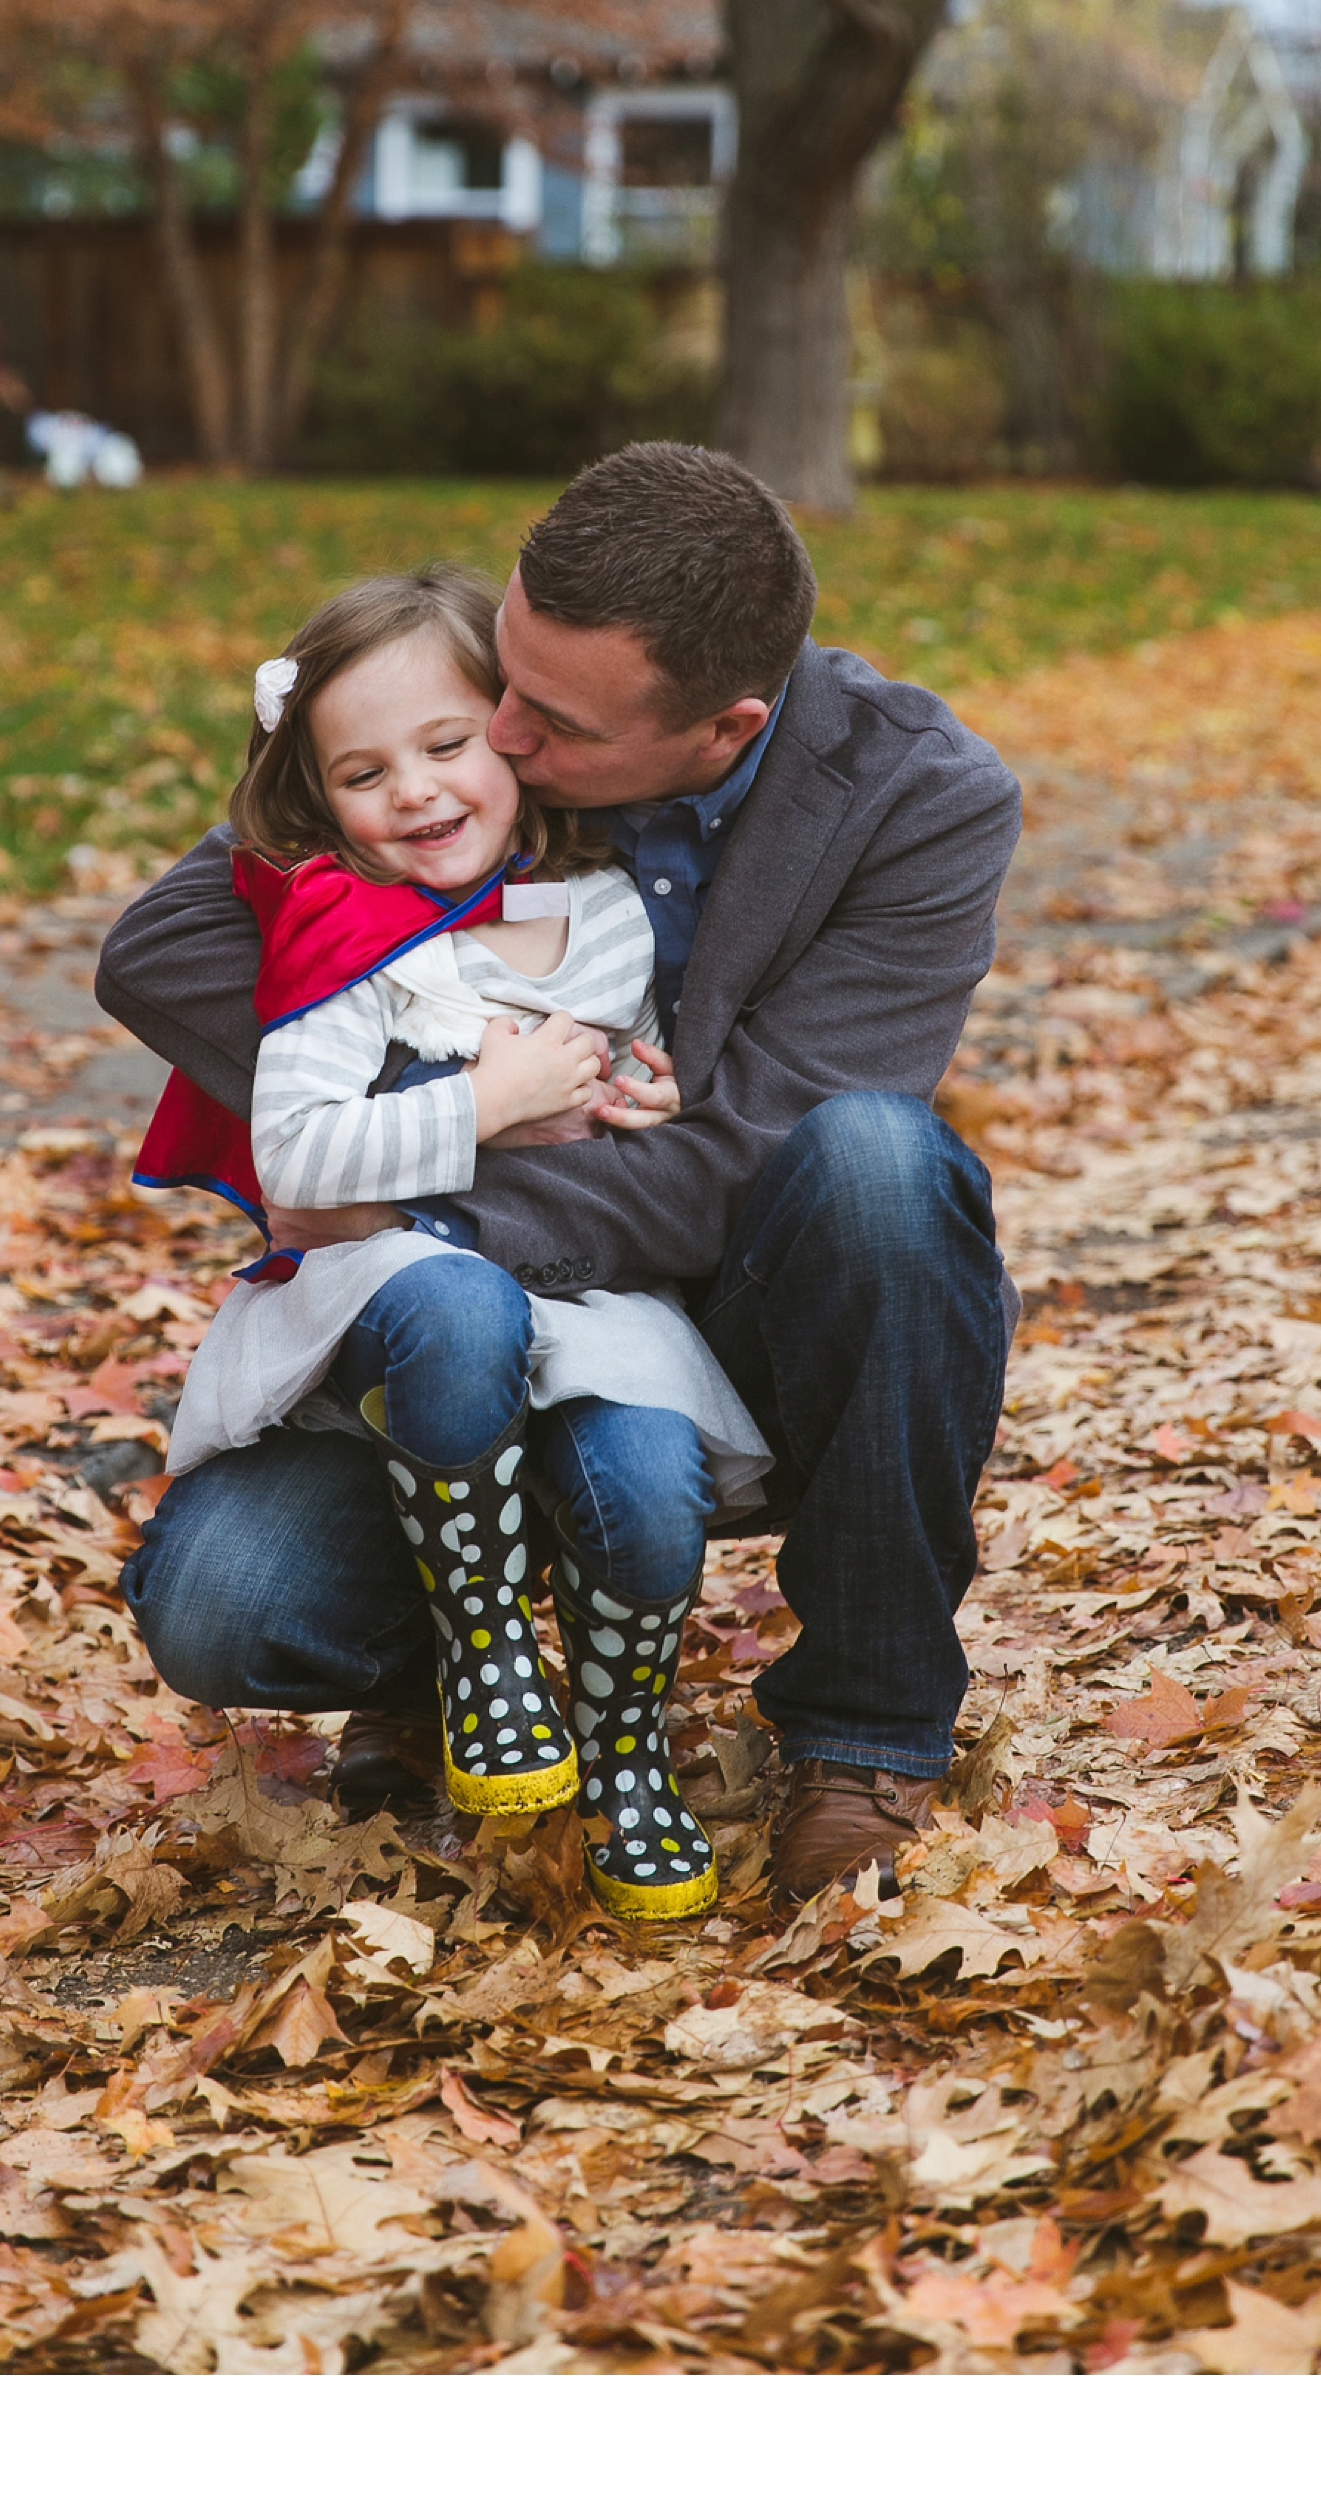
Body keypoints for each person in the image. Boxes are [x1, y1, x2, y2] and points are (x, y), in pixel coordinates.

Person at [101, 444, 1024, 1902]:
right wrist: (454, 1098)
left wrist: (401, 1182)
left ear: (723, 727)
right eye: (503, 677)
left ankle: (866, 1724)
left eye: (549, 719)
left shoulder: (914, 798)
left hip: (735, 1325)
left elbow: (743, 1162)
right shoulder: (463, 731)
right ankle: (457, 1666)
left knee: (880, 1167)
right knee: (223, 1605)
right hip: (454, 1329)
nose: (500, 731)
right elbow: (160, 949)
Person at [127, 564, 774, 1923]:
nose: (415, 791)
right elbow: (300, 1160)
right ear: (321, 796)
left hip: (593, 1300)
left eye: (446, 744)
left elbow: (651, 1081)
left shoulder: (606, 907)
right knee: (456, 1310)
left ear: (521, 732)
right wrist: (489, 1101)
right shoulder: (344, 928)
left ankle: (622, 1754)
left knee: (650, 1469)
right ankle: (477, 1655)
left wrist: (644, 1091)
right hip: (412, 1306)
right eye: (365, 771)